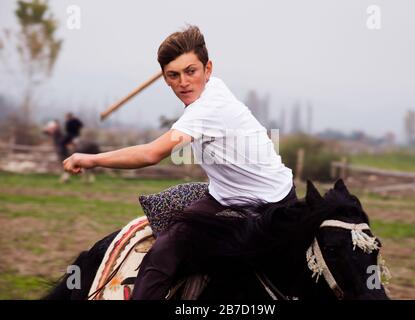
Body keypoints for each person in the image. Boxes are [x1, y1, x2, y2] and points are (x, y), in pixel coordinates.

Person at [63, 25, 296, 299]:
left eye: (191, 71)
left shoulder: (208, 108)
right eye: (173, 75)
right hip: (224, 196)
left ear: (208, 69)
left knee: (164, 255)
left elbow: (151, 154)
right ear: (165, 79)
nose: (183, 82)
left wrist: (90, 159)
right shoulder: (211, 90)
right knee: (165, 218)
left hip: (268, 203)